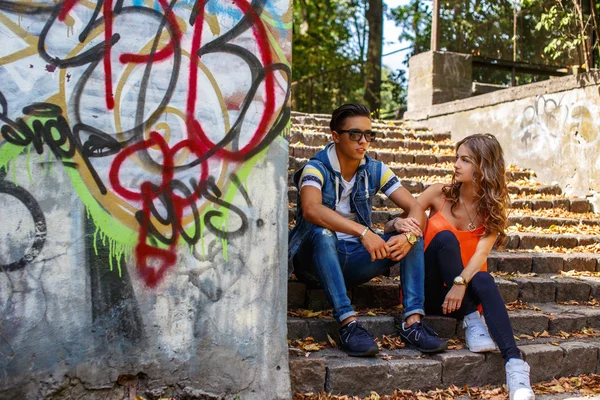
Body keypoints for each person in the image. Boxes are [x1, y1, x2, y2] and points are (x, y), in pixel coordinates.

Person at [288, 103, 447, 357]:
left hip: (355, 259)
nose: (363, 141)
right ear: (335, 136)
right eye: (355, 134)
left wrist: (409, 235)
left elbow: (416, 208)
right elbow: (311, 209)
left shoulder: (375, 169)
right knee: (322, 233)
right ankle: (348, 324)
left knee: (412, 231)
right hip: (314, 263)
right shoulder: (315, 167)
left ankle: (413, 324)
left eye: (368, 135)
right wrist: (363, 232)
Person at [386, 134, 534, 400]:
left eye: (465, 160)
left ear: (484, 166)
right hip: (428, 292)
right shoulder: (437, 194)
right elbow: (399, 222)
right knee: (444, 238)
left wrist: (460, 284)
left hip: (460, 292)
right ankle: (471, 319)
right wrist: (397, 225)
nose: (456, 164)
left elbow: (480, 256)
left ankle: (515, 367)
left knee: (485, 279)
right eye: (457, 158)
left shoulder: (493, 209)